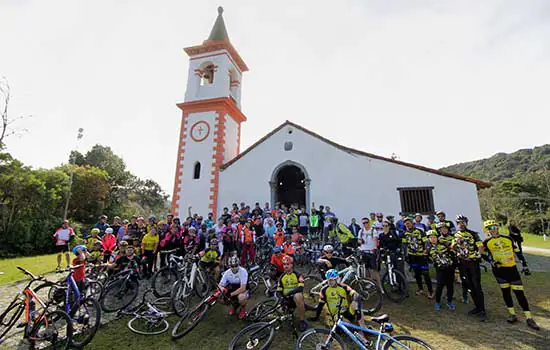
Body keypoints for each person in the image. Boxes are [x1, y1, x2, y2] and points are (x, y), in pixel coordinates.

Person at [479, 220, 540, 330]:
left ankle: (529, 318)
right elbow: (481, 253)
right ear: (487, 231)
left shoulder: (508, 238)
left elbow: (518, 252)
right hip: (499, 272)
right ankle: (512, 314)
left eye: (494, 227)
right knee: (506, 292)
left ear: (497, 228)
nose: (492, 230)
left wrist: (525, 265)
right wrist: (491, 262)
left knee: (519, 293)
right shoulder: (486, 242)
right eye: (489, 228)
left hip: (512, 269)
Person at [452, 219, 486, 321]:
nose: (461, 225)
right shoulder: (456, 234)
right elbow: (452, 247)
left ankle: (482, 310)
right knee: (468, 285)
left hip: (472, 263)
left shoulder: (473, 234)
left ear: (466, 223)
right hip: (462, 263)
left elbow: (480, 246)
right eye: (459, 223)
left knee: (476, 286)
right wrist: (456, 247)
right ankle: (477, 307)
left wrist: (477, 255)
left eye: (463, 223)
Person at [403, 217, 433, 298]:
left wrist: (426, 251)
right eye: (406, 224)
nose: (407, 225)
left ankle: (431, 291)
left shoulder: (420, 231)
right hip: (412, 257)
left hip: (421, 257)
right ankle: (420, 289)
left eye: (408, 223)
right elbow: (404, 245)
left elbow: (427, 242)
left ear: (412, 223)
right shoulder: (405, 233)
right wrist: (406, 255)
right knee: (417, 274)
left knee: (426, 274)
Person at [276, 255, 308, 331]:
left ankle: (302, 320)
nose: (286, 266)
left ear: (292, 265)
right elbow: (279, 290)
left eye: (288, 264)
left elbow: (300, 288)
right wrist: (281, 298)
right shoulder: (281, 277)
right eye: (284, 264)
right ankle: (288, 311)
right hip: (286, 299)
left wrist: (290, 293)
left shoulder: (298, 275)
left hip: (295, 298)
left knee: (298, 296)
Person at [427, 230, 456, 311]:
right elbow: (428, 259)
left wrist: (453, 264)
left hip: (449, 268)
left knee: (450, 286)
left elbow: (452, 253)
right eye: (431, 238)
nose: (433, 239)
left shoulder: (444, 245)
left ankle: (449, 302)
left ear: (437, 238)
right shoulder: (429, 249)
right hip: (440, 270)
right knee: (439, 286)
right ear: (429, 239)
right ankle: (437, 302)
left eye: (434, 237)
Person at [358, 218, 382, 291]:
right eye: (363, 223)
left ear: (369, 222)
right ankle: (369, 283)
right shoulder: (361, 231)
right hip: (363, 252)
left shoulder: (373, 230)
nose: (365, 224)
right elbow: (359, 240)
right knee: (366, 269)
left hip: (371, 252)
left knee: (375, 270)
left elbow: (375, 239)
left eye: (366, 222)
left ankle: (380, 287)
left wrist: (375, 248)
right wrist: (360, 241)